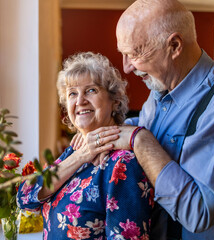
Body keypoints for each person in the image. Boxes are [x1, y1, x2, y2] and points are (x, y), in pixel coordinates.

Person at [93, 0, 214, 239]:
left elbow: (199, 213)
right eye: (123, 54)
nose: (127, 68)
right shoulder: (159, 92)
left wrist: (141, 142)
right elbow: (151, 131)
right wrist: (103, 134)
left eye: (134, 53)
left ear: (174, 46)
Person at [17, 52, 155, 240]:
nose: (80, 101)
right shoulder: (76, 150)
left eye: (91, 90)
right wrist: (81, 155)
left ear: (114, 101)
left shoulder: (123, 163)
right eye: (72, 93)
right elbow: (25, 198)